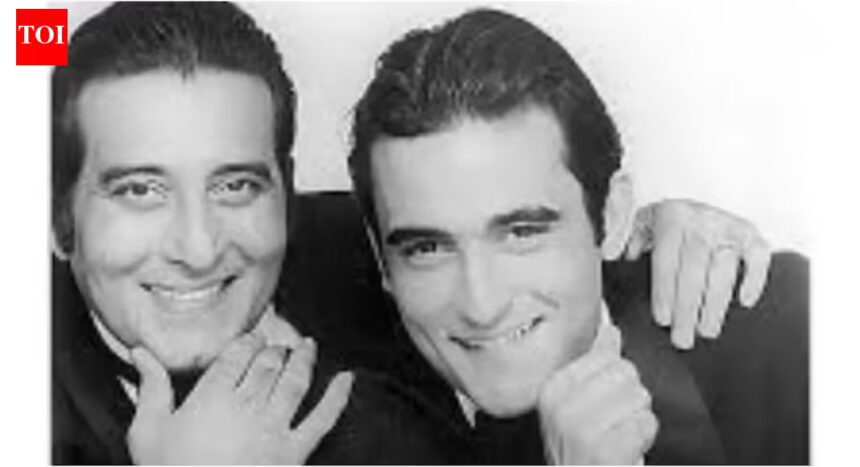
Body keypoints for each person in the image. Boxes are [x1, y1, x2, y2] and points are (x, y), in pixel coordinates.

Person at [52, 2, 776, 464]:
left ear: (286, 190)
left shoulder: (358, 250)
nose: (199, 247)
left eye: (236, 185)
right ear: (56, 220)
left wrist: (641, 228)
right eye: (138, 190)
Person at [347, 8, 807, 464]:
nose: (481, 307)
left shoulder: (791, 335)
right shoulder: (334, 413)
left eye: (522, 232)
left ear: (613, 215)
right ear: (379, 255)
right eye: (427, 249)